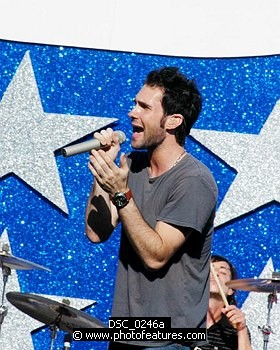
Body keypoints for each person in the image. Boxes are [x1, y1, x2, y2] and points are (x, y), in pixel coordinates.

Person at [85, 67, 218, 349]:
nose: (133, 112)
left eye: (144, 107)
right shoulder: (132, 165)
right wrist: (105, 170)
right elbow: (96, 233)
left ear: (173, 121)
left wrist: (120, 192)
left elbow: (156, 256)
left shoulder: (194, 181)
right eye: (135, 104)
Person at [202, 255, 251, 350]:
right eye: (210, 270)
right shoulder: (180, 318)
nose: (215, 274)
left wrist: (241, 330)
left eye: (223, 272)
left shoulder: (234, 330)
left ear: (230, 290)